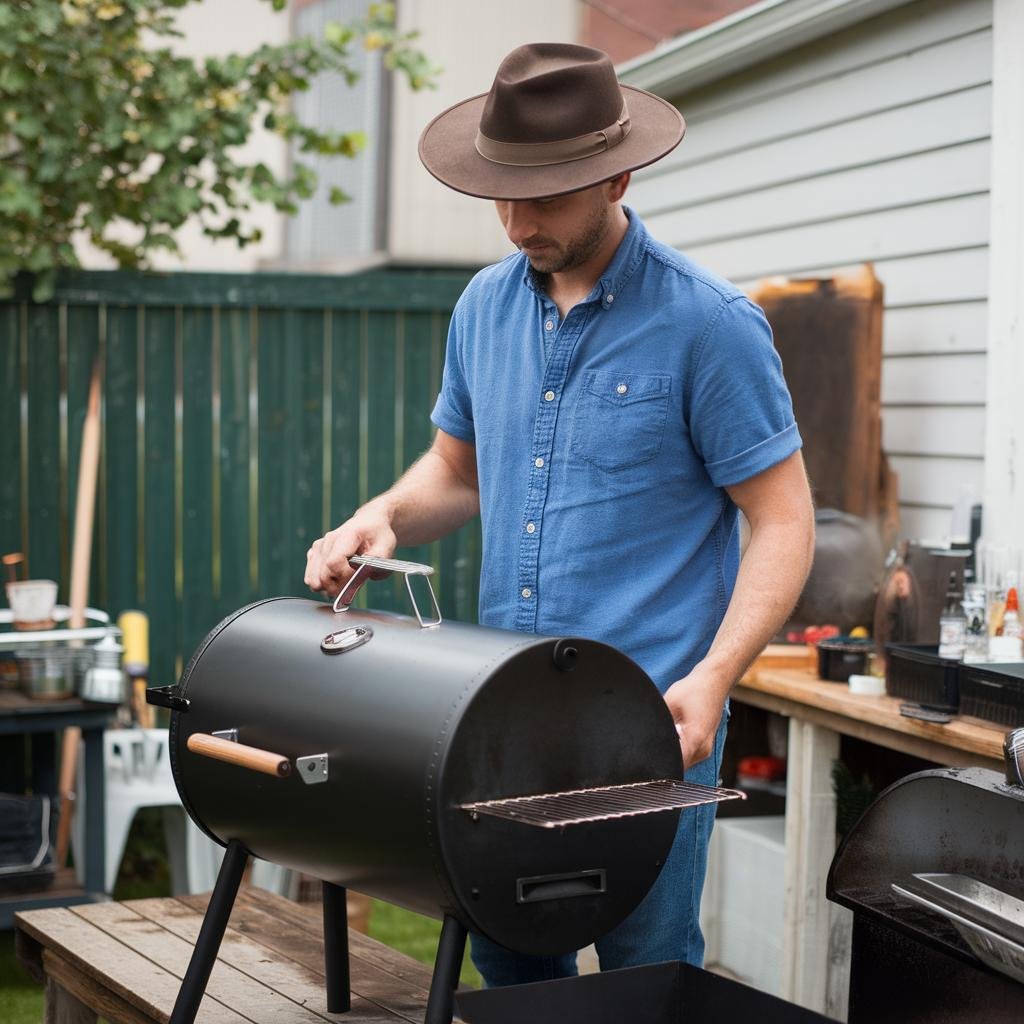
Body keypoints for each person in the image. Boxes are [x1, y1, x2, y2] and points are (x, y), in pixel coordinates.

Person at [305, 42, 815, 986]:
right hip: (503, 719)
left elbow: (783, 519)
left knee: (643, 982)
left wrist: (716, 675)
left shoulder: (710, 324)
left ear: (617, 174)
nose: (515, 223)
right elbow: (458, 470)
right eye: (502, 194)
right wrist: (385, 516)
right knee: (507, 970)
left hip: (653, 723)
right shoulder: (481, 308)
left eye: (544, 197)